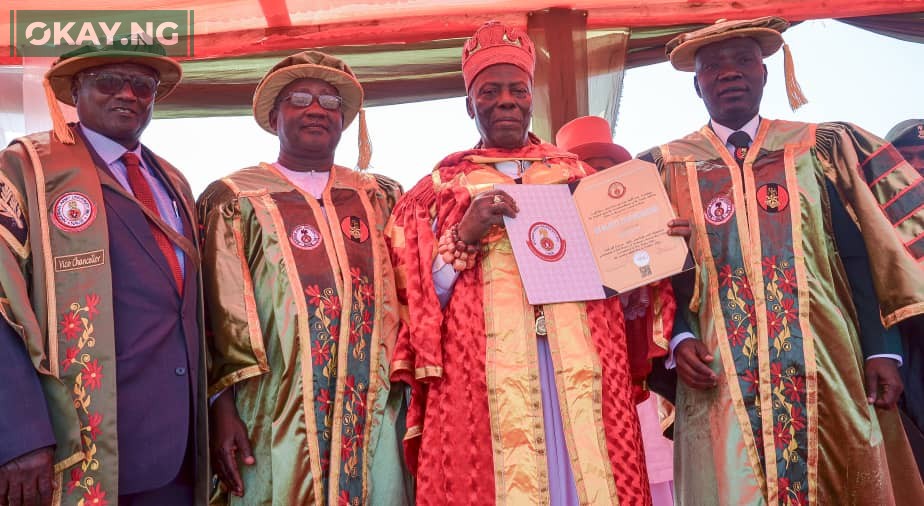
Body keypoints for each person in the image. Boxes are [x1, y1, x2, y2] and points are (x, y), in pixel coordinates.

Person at [386, 21, 686, 505]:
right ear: (470, 105)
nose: (506, 100)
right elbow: (414, 299)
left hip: (584, 362)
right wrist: (466, 232)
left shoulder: (580, 177)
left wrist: (655, 246)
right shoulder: (437, 189)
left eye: (516, 90)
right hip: (480, 372)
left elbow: (627, 285)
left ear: (531, 98)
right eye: (490, 91)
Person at [640, 16, 924, 504]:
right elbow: (659, 273)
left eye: (743, 61)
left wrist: (883, 348)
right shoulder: (663, 169)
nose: (730, 73)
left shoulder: (818, 149)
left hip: (827, 363)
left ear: (765, 73)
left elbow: (860, 256)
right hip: (719, 371)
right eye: (714, 67)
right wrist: (679, 336)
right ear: (697, 84)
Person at [198, 50, 411, 505]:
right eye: (299, 98)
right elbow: (217, 318)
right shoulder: (235, 199)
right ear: (274, 115)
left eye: (331, 102)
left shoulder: (379, 196)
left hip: (373, 407)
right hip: (273, 411)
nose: (316, 109)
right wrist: (221, 409)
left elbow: (415, 290)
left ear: (345, 120)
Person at [0, 41, 207, 505]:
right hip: (77, 442)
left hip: (179, 448)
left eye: (142, 85)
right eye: (109, 82)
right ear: (76, 90)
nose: (128, 95)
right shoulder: (28, 168)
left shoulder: (173, 181)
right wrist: (19, 434)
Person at [557, 115, 677, 506]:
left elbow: (664, 302)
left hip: (638, 380)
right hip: (577, 374)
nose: (595, 177)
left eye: (604, 170)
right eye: (584, 171)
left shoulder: (646, 223)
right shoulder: (555, 242)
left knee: (647, 479)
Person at [886, 118, 924, 476]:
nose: (915, 168)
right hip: (905, 360)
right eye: (905, 159)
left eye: (923, 158)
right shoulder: (872, 226)